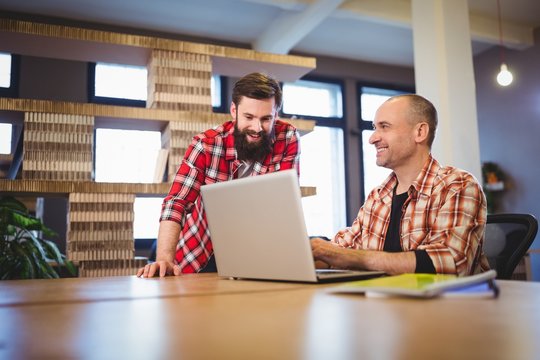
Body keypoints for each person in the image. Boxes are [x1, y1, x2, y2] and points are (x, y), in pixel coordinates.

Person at [138, 72, 300, 277]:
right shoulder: (205, 144)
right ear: (234, 110)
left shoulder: (288, 138)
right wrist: (164, 260)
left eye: (266, 119)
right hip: (200, 252)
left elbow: (283, 203)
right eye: (248, 117)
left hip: (257, 249)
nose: (257, 128)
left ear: (276, 113)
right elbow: (176, 202)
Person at [311, 94, 490, 276]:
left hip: (443, 304)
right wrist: (309, 252)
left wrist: (354, 257)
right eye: (375, 128)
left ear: (419, 132)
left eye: (384, 127)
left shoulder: (457, 186)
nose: (372, 138)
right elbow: (339, 251)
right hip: (383, 301)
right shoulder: (377, 197)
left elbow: (449, 263)